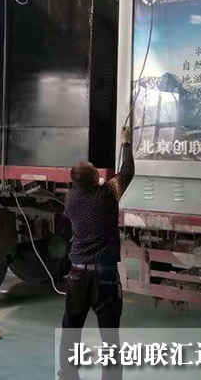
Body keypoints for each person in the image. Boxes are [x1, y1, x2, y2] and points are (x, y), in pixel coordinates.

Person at [58, 126, 134, 380]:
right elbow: (127, 172)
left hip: (77, 274)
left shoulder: (71, 200)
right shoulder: (107, 195)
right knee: (110, 336)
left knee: (71, 329)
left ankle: (68, 375)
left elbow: (93, 188)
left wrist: (97, 183)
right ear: (94, 179)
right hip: (105, 276)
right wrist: (126, 142)